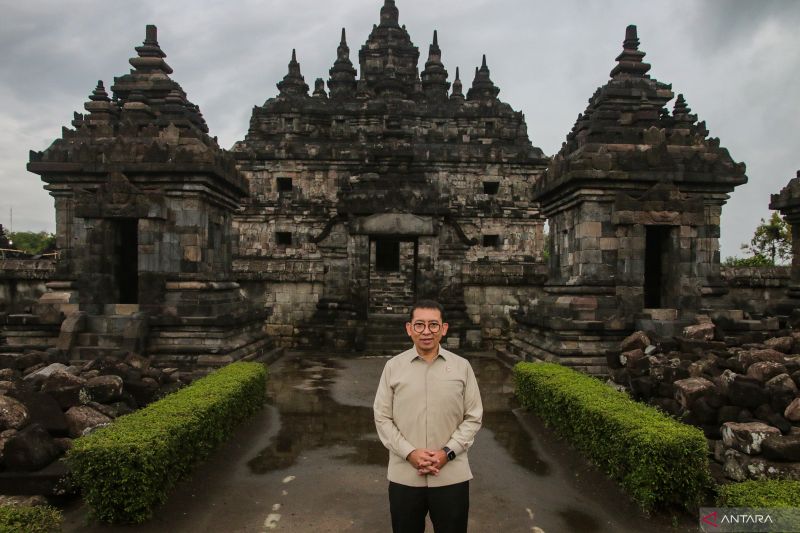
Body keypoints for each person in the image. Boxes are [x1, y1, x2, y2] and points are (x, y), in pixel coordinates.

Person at [373, 299, 483, 533]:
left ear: (444, 329)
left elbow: (473, 417)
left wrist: (447, 453)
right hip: (405, 475)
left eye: (433, 325)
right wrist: (409, 453)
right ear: (409, 328)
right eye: (419, 325)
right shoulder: (393, 367)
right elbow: (382, 417)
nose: (426, 331)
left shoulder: (462, 367)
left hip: (451, 476)